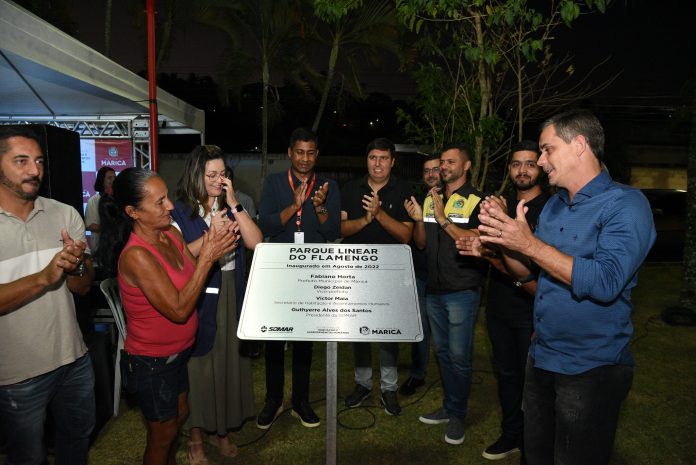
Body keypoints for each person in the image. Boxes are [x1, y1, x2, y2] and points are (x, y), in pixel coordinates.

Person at [457, 109, 656, 465]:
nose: (542, 160)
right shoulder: (555, 207)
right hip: (542, 356)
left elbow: (606, 282)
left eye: (548, 150)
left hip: (591, 368)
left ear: (579, 145)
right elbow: (530, 271)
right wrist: (503, 242)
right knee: (536, 455)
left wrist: (528, 243)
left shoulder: (626, 205)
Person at [97, 167, 236, 465]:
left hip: (178, 354)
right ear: (133, 212)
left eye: (167, 197)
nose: (170, 206)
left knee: (179, 417)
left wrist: (210, 246)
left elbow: (188, 278)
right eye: (159, 202)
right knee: (162, 436)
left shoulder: (170, 233)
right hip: (152, 362)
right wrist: (208, 258)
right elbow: (179, 308)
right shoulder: (136, 256)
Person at [0, 125, 96, 465]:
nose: (34, 170)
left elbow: (82, 287)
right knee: (27, 456)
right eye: (21, 161)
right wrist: (44, 277)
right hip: (16, 373)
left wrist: (76, 266)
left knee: (76, 442)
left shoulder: (63, 213)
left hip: (73, 358)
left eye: (38, 161)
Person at [170, 145, 263, 464]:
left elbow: (256, 243)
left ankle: (220, 430)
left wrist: (235, 203)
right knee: (200, 368)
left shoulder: (231, 204)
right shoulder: (180, 210)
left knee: (227, 364)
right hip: (200, 295)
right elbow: (179, 258)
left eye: (222, 174)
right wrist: (212, 235)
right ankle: (196, 437)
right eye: (211, 174)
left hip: (230, 290)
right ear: (195, 174)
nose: (217, 180)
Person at [257, 127, 340, 429]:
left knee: (305, 338)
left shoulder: (329, 185)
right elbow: (266, 225)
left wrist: (318, 208)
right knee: (275, 338)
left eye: (311, 152)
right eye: (299, 152)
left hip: (313, 270)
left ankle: (301, 400)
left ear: (317, 154)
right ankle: (273, 398)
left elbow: (332, 233)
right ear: (290, 153)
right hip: (280, 269)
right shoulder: (275, 183)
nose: (305, 158)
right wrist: (294, 205)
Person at [406, 143, 485, 445]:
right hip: (434, 289)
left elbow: (478, 241)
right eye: (442, 162)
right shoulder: (432, 199)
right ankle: (450, 406)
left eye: (451, 162)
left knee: (460, 357)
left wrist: (443, 219)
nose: (444, 167)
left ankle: (458, 416)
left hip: (462, 289)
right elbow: (422, 244)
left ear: (466, 167)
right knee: (443, 354)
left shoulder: (478, 201)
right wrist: (419, 218)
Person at [480, 141, 549, 462]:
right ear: (509, 170)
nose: (522, 170)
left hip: (532, 310)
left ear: (541, 168)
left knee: (533, 383)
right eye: (516, 164)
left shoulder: (552, 209)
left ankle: (532, 442)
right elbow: (491, 250)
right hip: (499, 307)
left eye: (530, 164)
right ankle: (511, 434)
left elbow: (537, 269)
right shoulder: (501, 206)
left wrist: (495, 258)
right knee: (507, 375)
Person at [340, 138, 414, 416]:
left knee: (387, 332)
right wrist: (364, 220)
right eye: (373, 157)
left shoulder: (403, 190)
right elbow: (341, 228)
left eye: (384, 158)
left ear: (393, 162)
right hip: (356, 271)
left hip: (389, 273)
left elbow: (406, 235)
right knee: (358, 330)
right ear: (366, 160)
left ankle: (388, 388)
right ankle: (362, 384)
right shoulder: (350, 189)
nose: (378, 163)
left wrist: (379, 213)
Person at [400, 155, 440, 397]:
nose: (431, 174)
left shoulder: (455, 199)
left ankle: (451, 377)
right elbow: (420, 243)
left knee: (447, 336)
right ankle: (418, 373)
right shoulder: (420, 199)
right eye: (427, 171)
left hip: (450, 277)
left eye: (436, 169)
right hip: (422, 274)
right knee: (420, 327)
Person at [84, 166, 115, 254]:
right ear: (101, 180)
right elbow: (90, 225)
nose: (113, 180)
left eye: (114, 177)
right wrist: (113, 227)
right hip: (101, 248)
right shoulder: (93, 201)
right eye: (109, 178)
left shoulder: (120, 199)